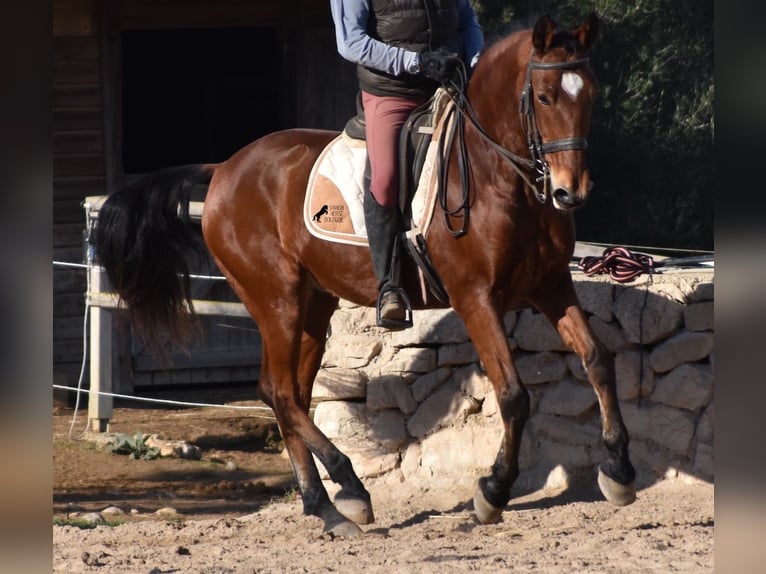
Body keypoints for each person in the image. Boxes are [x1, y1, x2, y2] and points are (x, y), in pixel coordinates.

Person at [330, 0, 484, 329]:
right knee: (384, 179)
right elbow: (351, 42)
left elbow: (467, 21)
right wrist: (417, 63)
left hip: (449, 83)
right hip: (393, 91)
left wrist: (474, 61)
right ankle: (390, 287)